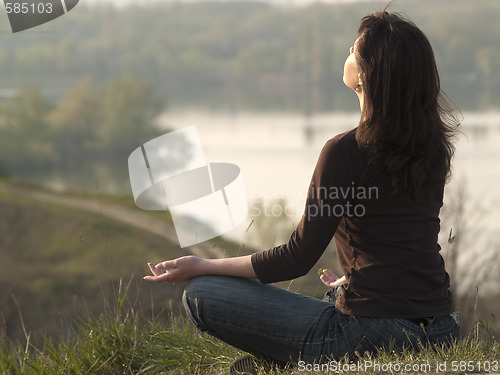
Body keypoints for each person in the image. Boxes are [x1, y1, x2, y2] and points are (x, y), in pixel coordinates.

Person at [144, 7, 461, 370]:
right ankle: (283, 362)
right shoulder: (433, 146)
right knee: (335, 292)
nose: (348, 53)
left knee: (202, 294)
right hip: (442, 329)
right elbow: (406, 235)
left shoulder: (345, 151)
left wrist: (204, 265)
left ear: (366, 74)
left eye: (352, 50)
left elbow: (297, 257)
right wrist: (359, 275)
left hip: (373, 335)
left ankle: (287, 363)